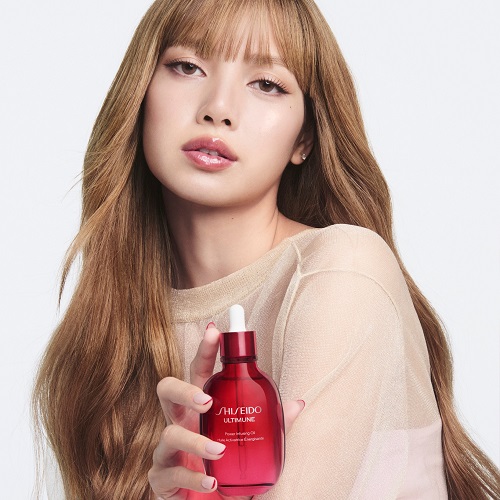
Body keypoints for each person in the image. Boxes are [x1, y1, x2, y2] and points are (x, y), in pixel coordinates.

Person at [33, 0, 500, 498]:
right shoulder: (103, 340)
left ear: (305, 139)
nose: (218, 108)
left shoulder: (342, 271)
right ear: (139, 92)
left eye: (267, 84)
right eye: (187, 66)